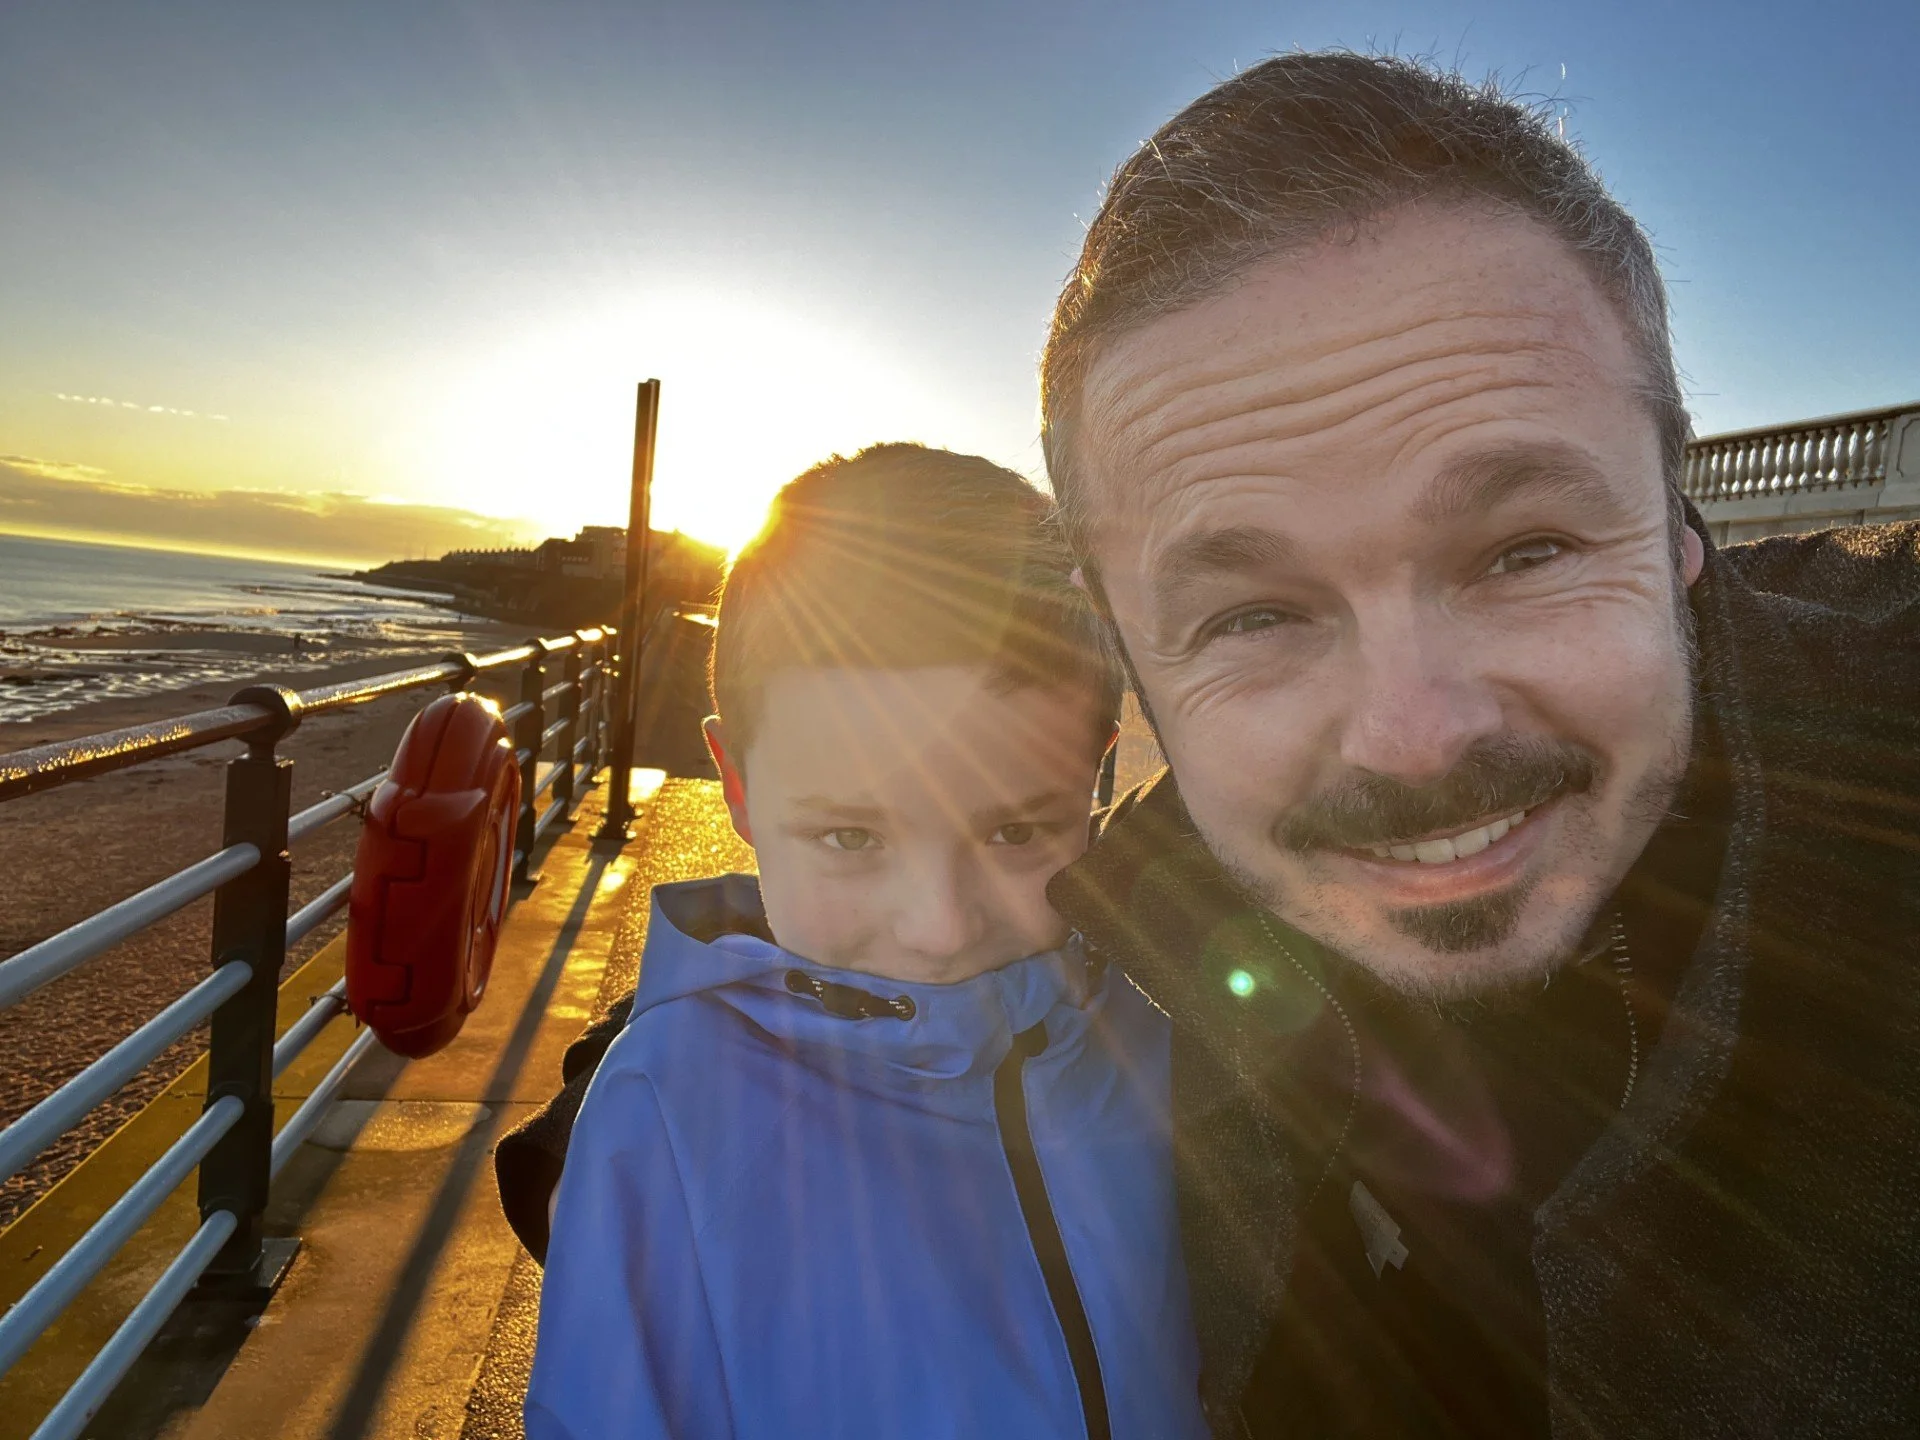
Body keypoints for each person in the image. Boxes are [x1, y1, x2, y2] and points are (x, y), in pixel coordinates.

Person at [506, 53, 1920, 1438]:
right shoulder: (1146, 901)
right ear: (1135, 657)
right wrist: (661, 1110)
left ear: (1677, 513)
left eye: (1525, 546)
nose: (1413, 739)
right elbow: (935, 960)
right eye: (1252, 612)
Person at [519, 444, 1208, 1440]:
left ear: (1096, 782)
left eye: (1016, 832)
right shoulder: (666, 1112)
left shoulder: (1154, 1016)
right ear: (740, 790)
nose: (939, 928)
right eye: (851, 836)